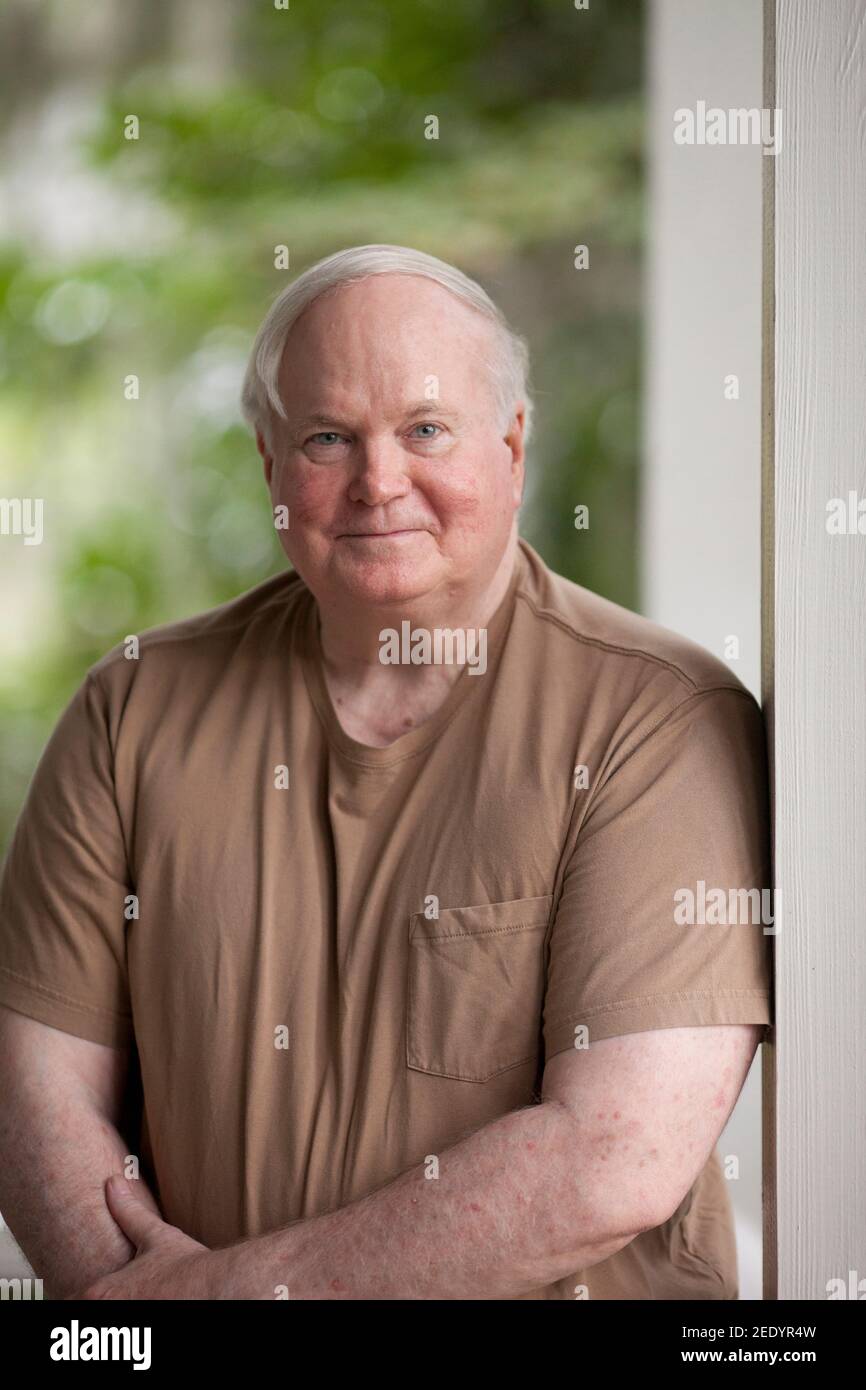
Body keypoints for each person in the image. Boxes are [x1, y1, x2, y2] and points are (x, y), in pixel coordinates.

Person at [0, 244, 772, 1300]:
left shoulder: (658, 720)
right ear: (269, 464)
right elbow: (29, 1087)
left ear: (510, 443)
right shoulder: (131, 709)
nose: (377, 481)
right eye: (327, 436)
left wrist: (234, 1297)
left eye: (424, 429)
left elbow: (613, 1157)